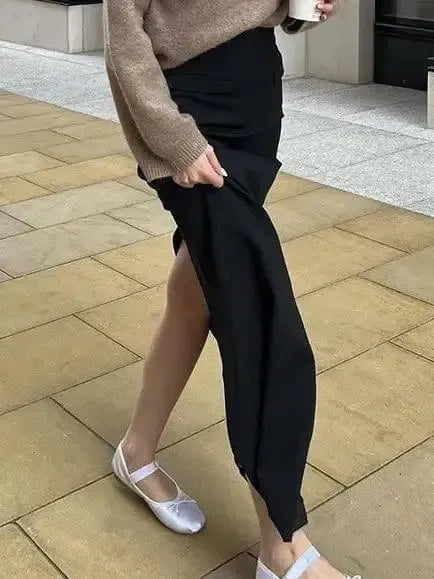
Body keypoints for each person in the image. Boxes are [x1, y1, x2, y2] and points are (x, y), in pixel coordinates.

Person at [104, 1, 360, 578]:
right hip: (191, 119)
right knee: (258, 308)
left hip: (256, 107)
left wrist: (300, 9)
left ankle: (135, 451)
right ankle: (283, 548)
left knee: (198, 289)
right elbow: (124, 39)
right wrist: (174, 140)